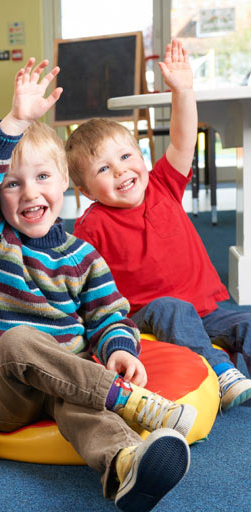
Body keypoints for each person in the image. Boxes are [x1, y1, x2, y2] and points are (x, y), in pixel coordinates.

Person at [0, 57, 195, 512]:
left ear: (65, 182)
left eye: (43, 177)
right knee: (22, 339)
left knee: (79, 403)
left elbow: (107, 316)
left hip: (65, 379)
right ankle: (132, 402)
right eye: (12, 185)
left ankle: (124, 465)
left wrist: (120, 349)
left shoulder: (84, 256)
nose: (29, 193)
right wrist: (15, 122)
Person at [67, 40, 251, 412]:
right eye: (104, 169)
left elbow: (183, 142)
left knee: (248, 320)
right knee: (172, 308)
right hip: (147, 315)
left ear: (141, 156)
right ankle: (222, 372)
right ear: (85, 190)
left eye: (125, 156)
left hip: (211, 306)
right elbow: (78, 282)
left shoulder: (162, 184)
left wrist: (183, 90)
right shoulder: (91, 224)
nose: (120, 170)